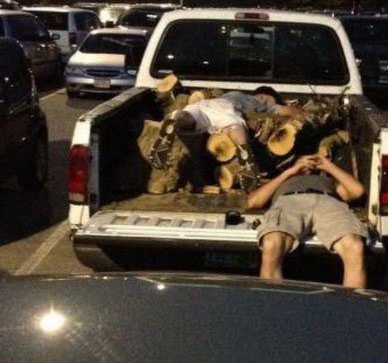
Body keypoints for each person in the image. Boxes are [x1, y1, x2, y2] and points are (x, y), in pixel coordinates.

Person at [247, 154, 367, 288]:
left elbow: (358, 191)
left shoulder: (328, 181)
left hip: (328, 202)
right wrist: (290, 172)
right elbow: (254, 202)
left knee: (355, 246)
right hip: (290, 202)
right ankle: (273, 300)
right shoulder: (283, 180)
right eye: (302, 161)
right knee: (271, 244)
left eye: (312, 162)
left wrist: (328, 166)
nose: (308, 164)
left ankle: (351, 302)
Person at [149, 86, 300, 190]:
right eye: (271, 99)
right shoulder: (258, 102)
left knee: (188, 116)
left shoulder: (231, 93)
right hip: (226, 109)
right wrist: (299, 112)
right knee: (234, 124)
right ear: (263, 96)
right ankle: (244, 150)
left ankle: (174, 124)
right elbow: (287, 111)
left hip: (204, 105)